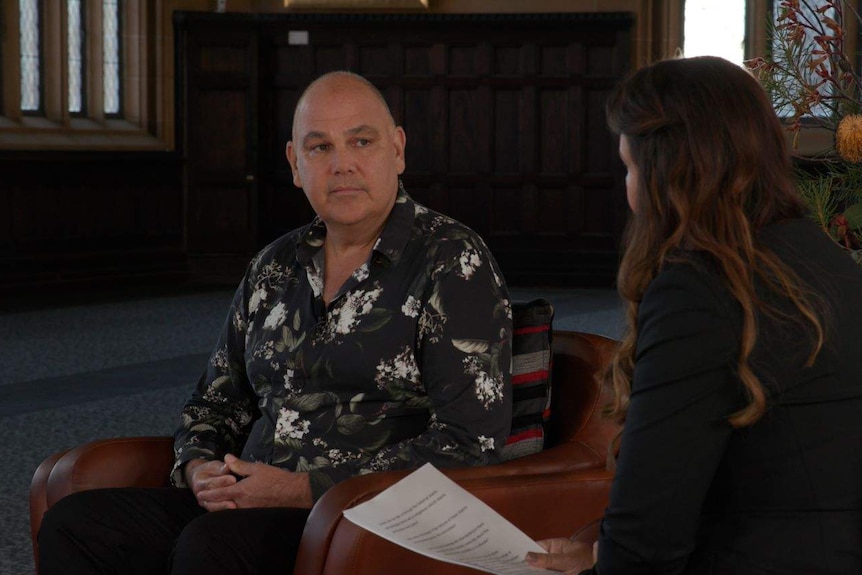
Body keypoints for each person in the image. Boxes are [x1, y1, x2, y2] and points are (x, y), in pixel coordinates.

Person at [38, 70, 513, 574]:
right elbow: (216, 401)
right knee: (76, 524)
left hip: (359, 516)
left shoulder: (452, 260)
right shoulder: (274, 266)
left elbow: (470, 442)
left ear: (397, 150)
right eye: (320, 148)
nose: (343, 164)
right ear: (294, 163)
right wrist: (199, 467)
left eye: (361, 141)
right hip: (243, 498)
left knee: (212, 547)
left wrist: (300, 490)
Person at [526, 55, 862, 574]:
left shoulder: (700, 291)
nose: (629, 191)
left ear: (665, 174)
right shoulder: (822, 258)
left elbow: (647, 539)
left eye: (630, 168)